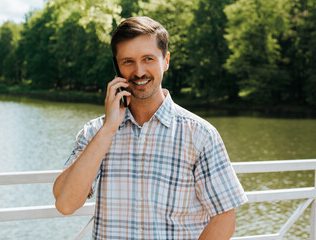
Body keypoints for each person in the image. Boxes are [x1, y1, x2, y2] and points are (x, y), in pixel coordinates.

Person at [53, 16, 247, 239]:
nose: (138, 71)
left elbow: (224, 217)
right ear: (117, 68)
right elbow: (65, 204)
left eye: (148, 59)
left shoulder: (200, 135)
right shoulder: (95, 131)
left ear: (165, 61)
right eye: (128, 61)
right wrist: (108, 128)